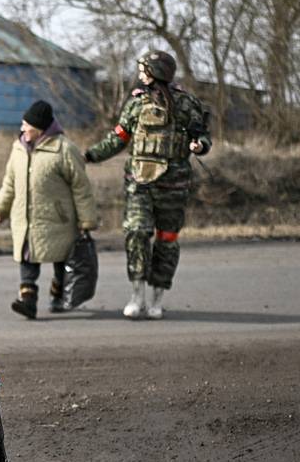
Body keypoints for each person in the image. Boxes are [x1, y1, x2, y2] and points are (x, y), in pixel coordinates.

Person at [83, 50, 211, 319]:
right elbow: (118, 138)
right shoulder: (136, 104)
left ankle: (157, 298)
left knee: (167, 241)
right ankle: (136, 295)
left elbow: (203, 136)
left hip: (174, 185)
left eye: (144, 69)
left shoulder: (186, 104)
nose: (141, 74)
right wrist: (90, 155)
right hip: (139, 183)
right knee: (137, 233)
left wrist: (199, 145)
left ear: (156, 71)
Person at [0, 100, 98, 318]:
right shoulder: (18, 148)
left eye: (26, 125)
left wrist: (86, 220)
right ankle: (27, 300)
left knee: (60, 260)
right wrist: (0, 206)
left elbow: (81, 188)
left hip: (58, 220)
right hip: (26, 219)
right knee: (27, 258)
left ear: (39, 129)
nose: (22, 129)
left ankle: (57, 296)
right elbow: (10, 181)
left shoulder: (65, 149)